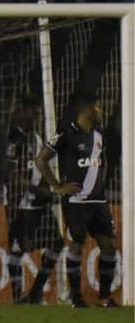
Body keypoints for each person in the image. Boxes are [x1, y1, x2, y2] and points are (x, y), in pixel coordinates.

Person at [36, 94, 119, 308]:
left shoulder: (99, 135)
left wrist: (101, 188)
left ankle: (104, 297)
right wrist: (56, 186)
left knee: (109, 246)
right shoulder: (66, 132)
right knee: (77, 243)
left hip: (98, 203)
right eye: (98, 108)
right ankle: (76, 297)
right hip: (76, 202)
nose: (101, 112)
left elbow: (101, 165)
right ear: (87, 110)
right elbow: (41, 159)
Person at [4, 98, 63, 304]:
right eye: (30, 113)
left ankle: (36, 291)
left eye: (36, 114)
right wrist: (37, 190)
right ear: (20, 113)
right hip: (19, 204)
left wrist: (50, 189)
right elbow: (11, 177)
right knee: (18, 248)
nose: (33, 118)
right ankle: (17, 297)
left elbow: (41, 170)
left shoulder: (37, 139)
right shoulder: (14, 139)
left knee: (57, 243)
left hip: (38, 203)